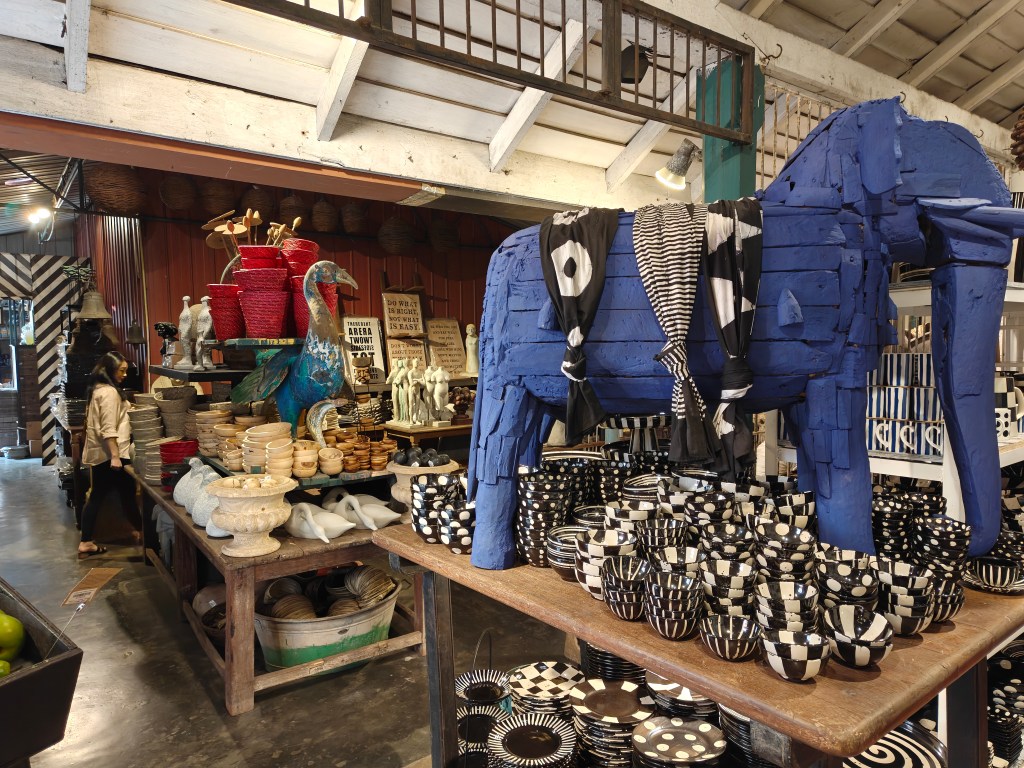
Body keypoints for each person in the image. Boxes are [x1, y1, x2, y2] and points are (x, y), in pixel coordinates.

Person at [78, 351, 135, 559]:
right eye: (121, 370)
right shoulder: (109, 393)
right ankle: (144, 536)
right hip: (111, 455)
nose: (125, 375)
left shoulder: (99, 389)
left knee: (106, 495)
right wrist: (115, 457)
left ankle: (87, 540)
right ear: (110, 370)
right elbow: (108, 428)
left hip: (105, 454)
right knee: (126, 495)